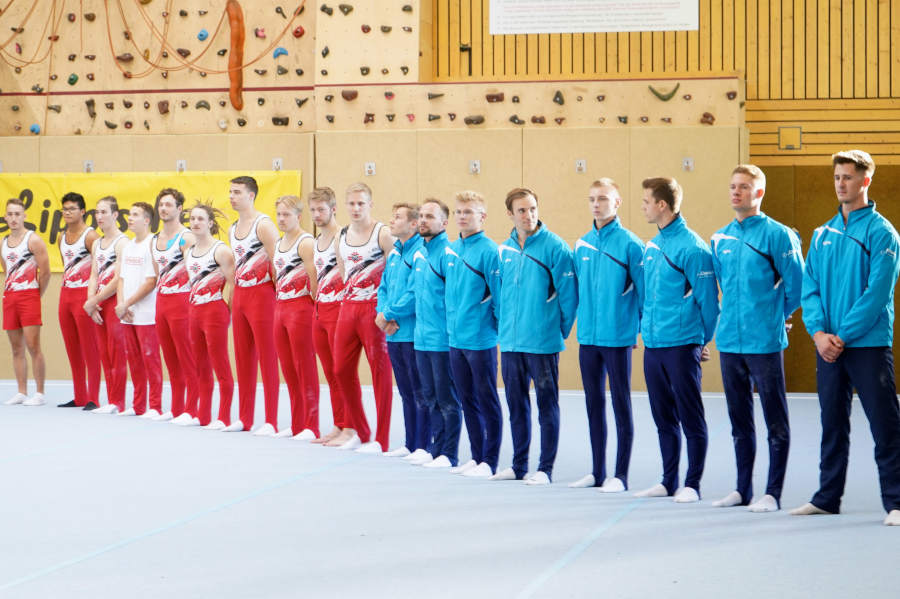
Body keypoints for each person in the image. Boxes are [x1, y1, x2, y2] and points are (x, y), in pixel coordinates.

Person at [791, 150, 900, 526]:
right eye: (837, 177)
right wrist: (820, 334)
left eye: (849, 177)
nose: (841, 183)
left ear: (865, 181)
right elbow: (811, 289)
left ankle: (897, 502)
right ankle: (827, 497)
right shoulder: (823, 234)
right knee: (832, 424)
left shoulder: (882, 233)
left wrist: (841, 335)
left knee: (885, 425)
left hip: (867, 345)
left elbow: (877, 294)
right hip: (829, 348)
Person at [710, 165, 804, 513]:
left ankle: (772, 493)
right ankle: (741, 488)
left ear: (759, 193)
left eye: (745, 187)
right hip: (730, 343)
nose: (736, 192)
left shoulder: (778, 236)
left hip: (764, 342)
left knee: (774, 419)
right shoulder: (719, 238)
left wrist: (775, 316)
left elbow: (797, 287)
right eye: (733, 186)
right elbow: (723, 286)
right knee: (739, 421)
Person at [635, 177, 719, 503]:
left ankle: (692, 484)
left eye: (646, 202)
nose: (642, 206)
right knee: (663, 417)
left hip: (682, 345)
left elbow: (710, 305)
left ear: (662, 205)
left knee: (690, 416)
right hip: (654, 346)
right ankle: (668, 479)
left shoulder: (693, 248)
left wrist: (701, 341)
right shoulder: (653, 245)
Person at [492, 188, 577, 485]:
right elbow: (499, 296)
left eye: (532, 209)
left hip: (542, 343)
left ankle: (545, 468)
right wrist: (505, 329)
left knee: (546, 405)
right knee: (516, 406)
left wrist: (555, 331)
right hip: (512, 344)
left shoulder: (556, 247)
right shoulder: (504, 250)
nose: (528, 216)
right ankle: (518, 466)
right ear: (510, 214)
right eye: (522, 211)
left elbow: (569, 299)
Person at [570, 179, 644, 492]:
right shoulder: (582, 244)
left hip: (617, 337)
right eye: (592, 199)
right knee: (593, 404)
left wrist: (639, 330)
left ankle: (621, 474)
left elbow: (644, 294)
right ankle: (597, 471)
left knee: (621, 404)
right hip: (588, 338)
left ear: (617, 202)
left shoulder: (631, 244)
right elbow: (575, 291)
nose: (596, 204)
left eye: (603, 199)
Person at [331, 183, 394, 452]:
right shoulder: (341, 236)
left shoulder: (383, 234)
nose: (356, 209)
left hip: (373, 308)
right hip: (348, 307)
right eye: (352, 204)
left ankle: (382, 439)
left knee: (380, 372)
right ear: (345, 206)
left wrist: (387, 310)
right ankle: (360, 429)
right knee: (340, 369)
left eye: (361, 204)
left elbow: (394, 276)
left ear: (370, 205)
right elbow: (344, 273)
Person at [444, 191, 502, 478]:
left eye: (468, 211)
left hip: (480, 339)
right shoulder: (452, 249)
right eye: (458, 212)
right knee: (467, 399)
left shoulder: (490, 251)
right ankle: (477, 455)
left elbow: (499, 298)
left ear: (482, 216)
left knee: (486, 399)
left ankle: (490, 460)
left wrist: (494, 329)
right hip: (456, 339)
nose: (462, 216)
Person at [228, 176, 281, 434]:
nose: (231, 196)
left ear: (251, 195)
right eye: (230, 192)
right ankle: (244, 417)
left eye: (237, 192)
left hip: (262, 295)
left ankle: (271, 419)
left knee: (268, 357)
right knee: (242, 357)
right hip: (241, 294)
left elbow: (277, 262)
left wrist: (277, 296)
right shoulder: (232, 227)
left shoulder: (264, 225)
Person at [412, 199, 461, 469]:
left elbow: (453, 299)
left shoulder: (448, 253)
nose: (422, 220)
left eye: (429, 216)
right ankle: (434, 447)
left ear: (444, 223)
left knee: (447, 399)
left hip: (442, 340)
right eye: (420, 215)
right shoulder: (420, 253)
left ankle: (449, 453)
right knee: (429, 397)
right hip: (421, 339)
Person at [377, 204, 427, 461]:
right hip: (393, 332)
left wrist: (390, 314)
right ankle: (410, 443)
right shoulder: (395, 253)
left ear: (413, 224)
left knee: (419, 391)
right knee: (406, 391)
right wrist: (383, 314)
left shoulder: (420, 251)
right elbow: (383, 286)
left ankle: (422, 445)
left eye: (397, 217)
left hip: (411, 332)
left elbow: (414, 292)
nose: (391, 221)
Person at [272, 195, 319, 440]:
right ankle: (297, 422)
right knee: (288, 368)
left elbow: (315, 278)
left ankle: (312, 425)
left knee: (305, 366)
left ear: (299, 217)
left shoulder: (306, 242)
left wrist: (311, 305)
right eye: (279, 214)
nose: (281, 219)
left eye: (287, 215)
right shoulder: (280, 243)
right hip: (280, 307)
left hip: (301, 307)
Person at [185, 203, 235, 429]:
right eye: (193, 219)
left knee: (220, 364)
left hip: (214, 310)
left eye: (200, 219)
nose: (195, 223)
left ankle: (223, 416)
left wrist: (230, 311)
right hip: (194, 310)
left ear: (211, 223)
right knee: (200, 365)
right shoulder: (188, 250)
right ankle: (202, 414)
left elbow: (234, 285)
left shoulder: (221, 251)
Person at [152, 188, 197, 423]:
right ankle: (177, 407)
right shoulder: (154, 238)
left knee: (186, 356)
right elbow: (157, 274)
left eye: (169, 205)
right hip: (162, 300)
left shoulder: (186, 238)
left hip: (181, 300)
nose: (163, 209)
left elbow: (195, 272)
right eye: (161, 204)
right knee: (170, 357)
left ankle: (193, 409)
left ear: (179, 209)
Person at [307, 187, 348, 445]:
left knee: (342, 371)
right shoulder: (316, 241)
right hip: (320, 309)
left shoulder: (343, 236)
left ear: (333, 209)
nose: (316, 214)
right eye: (312, 210)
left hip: (339, 309)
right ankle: (339, 423)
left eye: (321, 209)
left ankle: (351, 427)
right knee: (331, 373)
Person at [115, 202, 163, 418]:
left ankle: (155, 406)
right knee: (133, 361)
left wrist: (127, 303)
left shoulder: (153, 244)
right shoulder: (127, 246)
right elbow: (121, 279)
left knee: (150, 360)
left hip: (146, 313)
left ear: (147, 220)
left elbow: (151, 281)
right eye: (129, 214)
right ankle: (138, 405)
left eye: (135, 215)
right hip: (127, 313)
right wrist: (121, 305)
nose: (130, 218)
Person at [1, 198, 50, 406]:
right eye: (10, 214)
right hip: (10, 297)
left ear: (24, 216)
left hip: (29, 295)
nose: (13, 218)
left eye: (17, 214)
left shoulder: (34, 240)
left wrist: (35, 295)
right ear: (5, 217)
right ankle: (21, 391)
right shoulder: (2, 242)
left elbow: (45, 272)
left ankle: (39, 393)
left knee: (33, 345)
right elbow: (6, 270)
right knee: (16, 347)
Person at [83, 197, 129, 414]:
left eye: (104, 212)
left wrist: (95, 300)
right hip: (99, 303)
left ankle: (118, 402)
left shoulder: (122, 243)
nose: (99, 217)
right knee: (104, 352)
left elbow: (118, 277)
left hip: (114, 301)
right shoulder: (96, 244)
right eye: (97, 212)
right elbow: (93, 273)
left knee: (117, 352)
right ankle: (111, 398)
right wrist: (91, 301)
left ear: (115, 215)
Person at [56, 192, 101, 409]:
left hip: (84, 295)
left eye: (72, 209)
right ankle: (79, 395)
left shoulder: (90, 237)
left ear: (83, 211)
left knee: (90, 347)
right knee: (72, 348)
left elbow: (100, 267)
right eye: (65, 209)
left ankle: (93, 397)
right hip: (66, 294)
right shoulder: (60, 237)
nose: (67, 212)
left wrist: (93, 298)